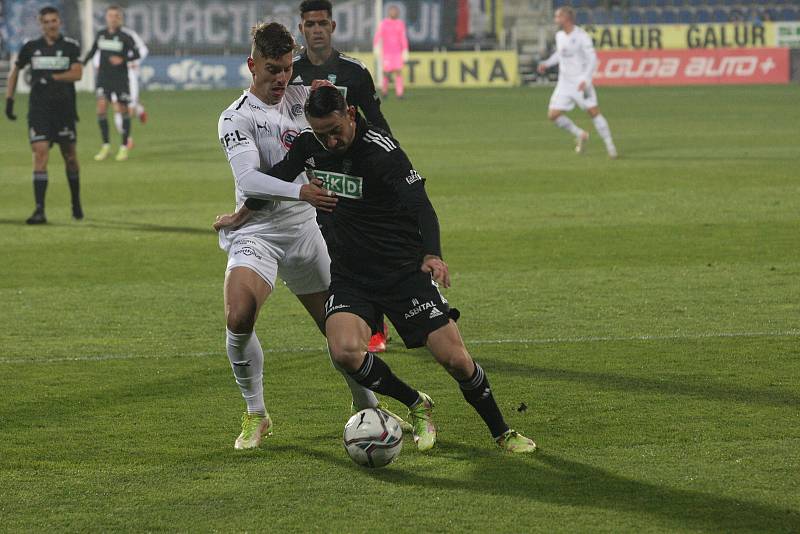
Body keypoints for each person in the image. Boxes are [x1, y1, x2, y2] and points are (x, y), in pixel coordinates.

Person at [218, 85, 538, 454]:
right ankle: (416, 403)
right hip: (351, 276)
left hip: (402, 273)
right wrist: (242, 214)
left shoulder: (382, 152)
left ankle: (502, 432)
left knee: (456, 360)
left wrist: (432, 255)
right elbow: (276, 178)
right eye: (321, 134)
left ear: (350, 114)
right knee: (344, 351)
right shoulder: (310, 145)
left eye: (335, 130)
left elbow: (421, 206)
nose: (330, 141)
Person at [212, 22, 407, 450]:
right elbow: (250, 179)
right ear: (252, 65)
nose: (281, 79)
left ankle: (369, 407)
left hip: (305, 230)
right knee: (238, 316)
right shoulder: (236, 117)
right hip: (259, 232)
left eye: (286, 69)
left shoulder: (304, 100)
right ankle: (256, 414)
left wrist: (337, 96)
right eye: (272, 70)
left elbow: (349, 127)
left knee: (338, 331)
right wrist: (300, 189)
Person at [293, 0, 393, 353]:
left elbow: (378, 125)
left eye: (322, 23)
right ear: (301, 28)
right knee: (332, 251)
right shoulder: (290, 73)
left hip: (355, 178)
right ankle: (351, 322)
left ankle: (376, 326)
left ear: (332, 27)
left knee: (364, 248)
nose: (317, 29)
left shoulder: (354, 72)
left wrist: (386, 168)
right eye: (310, 24)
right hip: (315, 179)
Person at [4, 6, 83, 225]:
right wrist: (9, 100)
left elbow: (78, 73)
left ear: (59, 22)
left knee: (70, 158)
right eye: (46, 21)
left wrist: (54, 78)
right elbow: (15, 71)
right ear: (41, 24)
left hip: (64, 111)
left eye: (54, 20)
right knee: (40, 156)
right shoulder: (31, 47)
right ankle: (40, 210)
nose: (51, 24)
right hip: (39, 112)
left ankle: (75, 201)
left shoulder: (70, 46)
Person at [537, 6, 618, 158]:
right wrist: (546, 63)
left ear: (566, 18)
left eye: (557, 17)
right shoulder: (560, 35)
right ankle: (580, 134)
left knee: (593, 112)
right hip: (564, 83)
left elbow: (592, 58)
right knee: (553, 115)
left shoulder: (581, 36)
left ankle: (610, 145)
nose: (555, 20)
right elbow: (559, 54)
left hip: (580, 82)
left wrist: (586, 79)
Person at [83, 5, 140, 162]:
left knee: (123, 110)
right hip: (103, 78)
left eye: (116, 16)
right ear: (106, 17)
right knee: (101, 109)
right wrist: (82, 63)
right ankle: (106, 146)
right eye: (110, 15)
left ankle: (123, 147)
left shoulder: (125, 37)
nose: (113, 18)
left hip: (120, 78)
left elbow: (136, 53)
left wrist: (123, 59)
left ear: (120, 18)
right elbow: (93, 50)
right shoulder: (101, 34)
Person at [92, 24, 148, 147]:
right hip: (110, 77)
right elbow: (97, 56)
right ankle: (127, 139)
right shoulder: (103, 36)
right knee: (118, 108)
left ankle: (138, 109)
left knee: (128, 108)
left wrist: (133, 61)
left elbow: (143, 50)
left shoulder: (129, 35)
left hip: (128, 75)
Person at [374, 5, 409, 99]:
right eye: (392, 11)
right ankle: (384, 91)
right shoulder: (384, 23)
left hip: (397, 52)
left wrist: (405, 50)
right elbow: (378, 35)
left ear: (398, 13)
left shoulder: (400, 23)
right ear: (389, 12)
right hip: (387, 53)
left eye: (395, 11)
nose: (394, 13)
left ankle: (400, 93)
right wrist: (376, 46)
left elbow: (403, 37)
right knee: (386, 72)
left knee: (398, 72)